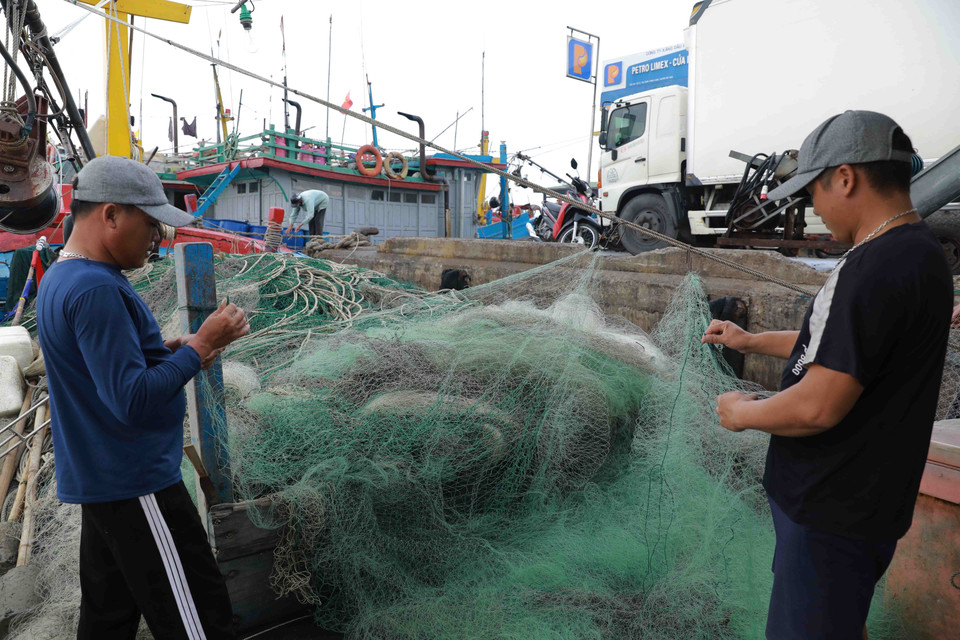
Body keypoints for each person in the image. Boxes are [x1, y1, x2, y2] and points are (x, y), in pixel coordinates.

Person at [701, 111, 952, 639]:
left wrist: (744, 413)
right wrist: (749, 341)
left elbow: (818, 404)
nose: (812, 207)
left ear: (846, 177)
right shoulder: (920, 255)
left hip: (829, 508)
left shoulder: (873, 268)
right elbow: (841, 352)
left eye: (813, 189)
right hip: (865, 504)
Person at [36, 155, 250, 640]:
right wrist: (199, 344)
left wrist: (170, 353)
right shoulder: (96, 288)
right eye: (151, 224)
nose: (159, 238)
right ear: (110, 215)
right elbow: (130, 399)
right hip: (138, 485)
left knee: (108, 620)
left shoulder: (63, 278)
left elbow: (99, 373)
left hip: (104, 481)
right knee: (199, 618)